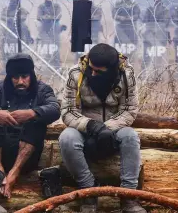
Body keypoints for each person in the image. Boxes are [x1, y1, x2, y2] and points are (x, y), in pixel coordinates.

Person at [59, 43, 146, 213]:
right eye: (91, 68)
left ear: (111, 69)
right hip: (84, 128)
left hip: (116, 127)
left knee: (131, 137)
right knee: (66, 138)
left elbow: (129, 110)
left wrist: (107, 128)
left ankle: (128, 195)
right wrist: (92, 126)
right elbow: (68, 111)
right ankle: (89, 190)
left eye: (98, 71)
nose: (92, 73)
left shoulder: (126, 75)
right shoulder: (76, 74)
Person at [0, 53, 61, 209]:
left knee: (37, 119)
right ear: (9, 77)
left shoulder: (42, 89)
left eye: (24, 76)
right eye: (15, 77)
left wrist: (32, 113)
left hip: (27, 159)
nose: (20, 81)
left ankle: (13, 173)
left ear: (31, 75)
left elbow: (55, 108)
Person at [0, 0, 33, 71]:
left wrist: (15, 19)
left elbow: (24, 16)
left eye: (15, 1)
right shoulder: (6, 9)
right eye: (12, 1)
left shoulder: (21, 9)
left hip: (19, 31)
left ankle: (22, 66)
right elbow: (2, 17)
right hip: (8, 32)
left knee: (21, 51)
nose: (13, 3)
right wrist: (10, 19)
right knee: (6, 50)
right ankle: (6, 67)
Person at [37, 0, 66, 70]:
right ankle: (46, 67)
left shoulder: (56, 6)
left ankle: (57, 67)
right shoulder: (41, 6)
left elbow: (58, 16)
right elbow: (39, 17)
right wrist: (51, 17)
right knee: (46, 49)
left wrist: (46, 17)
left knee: (55, 48)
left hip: (54, 30)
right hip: (44, 30)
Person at [142, 0, 170, 72]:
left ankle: (158, 72)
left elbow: (166, 22)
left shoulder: (165, 10)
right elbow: (144, 20)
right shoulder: (149, 9)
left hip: (160, 36)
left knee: (159, 56)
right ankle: (145, 72)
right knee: (147, 55)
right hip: (149, 36)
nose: (157, 0)